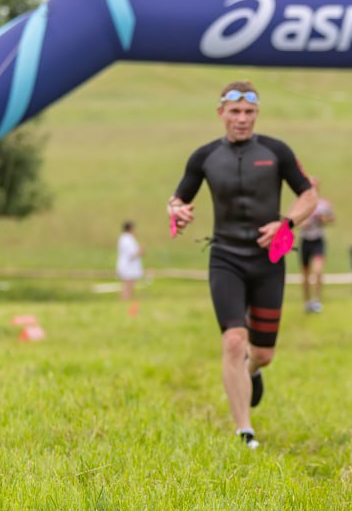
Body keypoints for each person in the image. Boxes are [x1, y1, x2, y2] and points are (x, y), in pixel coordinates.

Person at [167, 81, 318, 449]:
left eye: (249, 112)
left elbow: (309, 195)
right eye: (234, 112)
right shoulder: (204, 157)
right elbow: (177, 200)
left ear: (256, 114)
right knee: (234, 340)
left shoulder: (276, 151)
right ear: (221, 113)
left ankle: (252, 371)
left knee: (262, 353)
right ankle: (244, 431)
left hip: (269, 258)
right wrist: (176, 212)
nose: (242, 119)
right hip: (225, 258)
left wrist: (287, 224)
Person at [297, 176, 335, 313]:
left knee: (318, 271)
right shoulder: (300, 203)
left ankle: (317, 301)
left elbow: (331, 219)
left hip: (318, 240)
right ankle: (307, 301)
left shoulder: (323, 205)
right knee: (305, 274)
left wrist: (323, 219)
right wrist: (303, 223)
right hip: (305, 240)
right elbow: (293, 221)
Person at [116, 220, 144, 301]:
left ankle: (127, 300)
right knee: (127, 285)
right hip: (128, 266)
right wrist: (141, 251)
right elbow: (132, 254)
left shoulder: (125, 238)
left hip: (128, 266)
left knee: (129, 284)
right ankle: (125, 300)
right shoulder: (127, 239)